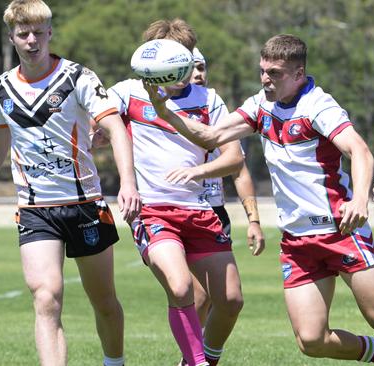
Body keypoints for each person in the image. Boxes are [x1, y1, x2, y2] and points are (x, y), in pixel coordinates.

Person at [144, 34, 374, 366]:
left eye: (275, 73)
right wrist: (163, 111)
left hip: (341, 231)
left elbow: (360, 151)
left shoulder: (318, 106)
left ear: (299, 74)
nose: (266, 80)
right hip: (297, 241)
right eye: (263, 71)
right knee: (311, 340)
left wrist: (359, 199)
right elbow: (210, 136)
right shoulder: (260, 106)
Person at [0, 1, 141, 366]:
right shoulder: (1, 89)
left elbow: (115, 128)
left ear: (50, 33)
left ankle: (114, 362)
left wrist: (128, 183)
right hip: (35, 210)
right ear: (12, 38)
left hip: (85, 205)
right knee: (46, 297)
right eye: (24, 34)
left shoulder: (78, 78)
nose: (32, 40)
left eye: (39, 32)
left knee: (104, 302)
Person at [107, 19, 245, 366]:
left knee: (230, 301)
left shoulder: (208, 99)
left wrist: (198, 170)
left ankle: (202, 361)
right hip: (152, 211)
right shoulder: (126, 92)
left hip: (199, 211)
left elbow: (234, 158)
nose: (183, 68)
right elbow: (100, 125)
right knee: (181, 288)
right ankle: (197, 362)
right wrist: (125, 181)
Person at [187, 47, 266, 344]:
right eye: (193, 67)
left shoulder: (214, 106)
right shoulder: (160, 105)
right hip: (175, 209)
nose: (199, 73)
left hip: (214, 213)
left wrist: (254, 220)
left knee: (214, 298)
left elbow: (240, 171)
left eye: (202, 67)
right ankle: (192, 357)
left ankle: (193, 357)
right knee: (198, 294)